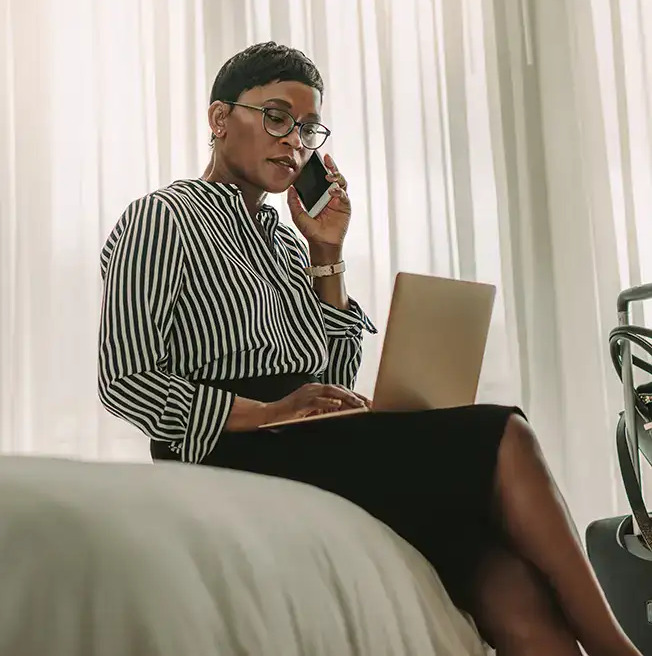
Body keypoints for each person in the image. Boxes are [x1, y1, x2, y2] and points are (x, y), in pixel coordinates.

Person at [98, 41, 640, 656]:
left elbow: (331, 374)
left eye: (307, 128)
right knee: (506, 434)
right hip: (233, 446)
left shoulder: (286, 243)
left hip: (309, 439)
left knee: (507, 581)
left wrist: (326, 252)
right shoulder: (161, 218)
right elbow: (124, 380)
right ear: (220, 119)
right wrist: (267, 412)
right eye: (276, 118)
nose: (293, 141)